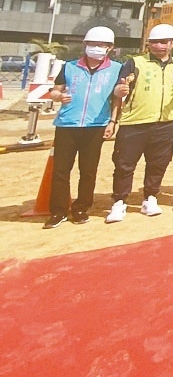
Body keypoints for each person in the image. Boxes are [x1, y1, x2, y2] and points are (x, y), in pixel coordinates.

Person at [105, 23, 173, 223]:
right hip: (134, 123)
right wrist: (114, 115)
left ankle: (150, 198)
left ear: (172, 43)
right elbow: (118, 91)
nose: (158, 46)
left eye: (163, 42)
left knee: (158, 163)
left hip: (166, 124)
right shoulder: (134, 62)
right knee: (124, 164)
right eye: (154, 42)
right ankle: (120, 202)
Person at [44, 25, 123, 228]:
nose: (96, 48)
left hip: (96, 126)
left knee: (88, 170)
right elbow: (54, 91)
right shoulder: (69, 67)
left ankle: (81, 208)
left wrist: (113, 122)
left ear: (110, 47)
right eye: (92, 44)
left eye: (101, 45)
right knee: (61, 170)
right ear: (85, 45)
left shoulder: (116, 69)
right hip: (67, 125)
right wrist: (59, 96)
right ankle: (59, 211)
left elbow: (116, 100)